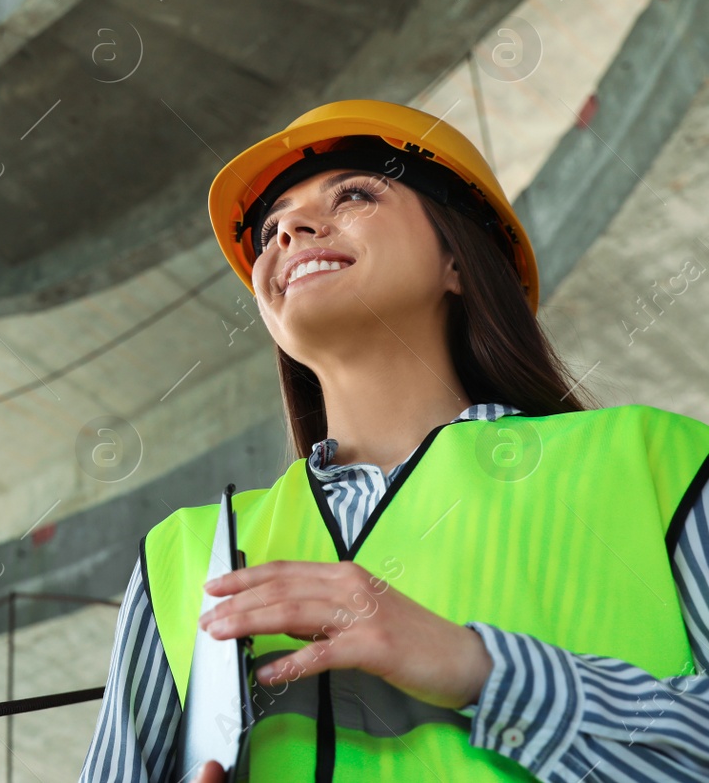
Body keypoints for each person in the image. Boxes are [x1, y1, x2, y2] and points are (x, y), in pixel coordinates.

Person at [78, 100, 709, 781]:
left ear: (458, 261)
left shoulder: (656, 465)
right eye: (269, 230)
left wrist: (482, 669)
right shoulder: (179, 561)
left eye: (353, 193)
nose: (289, 228)